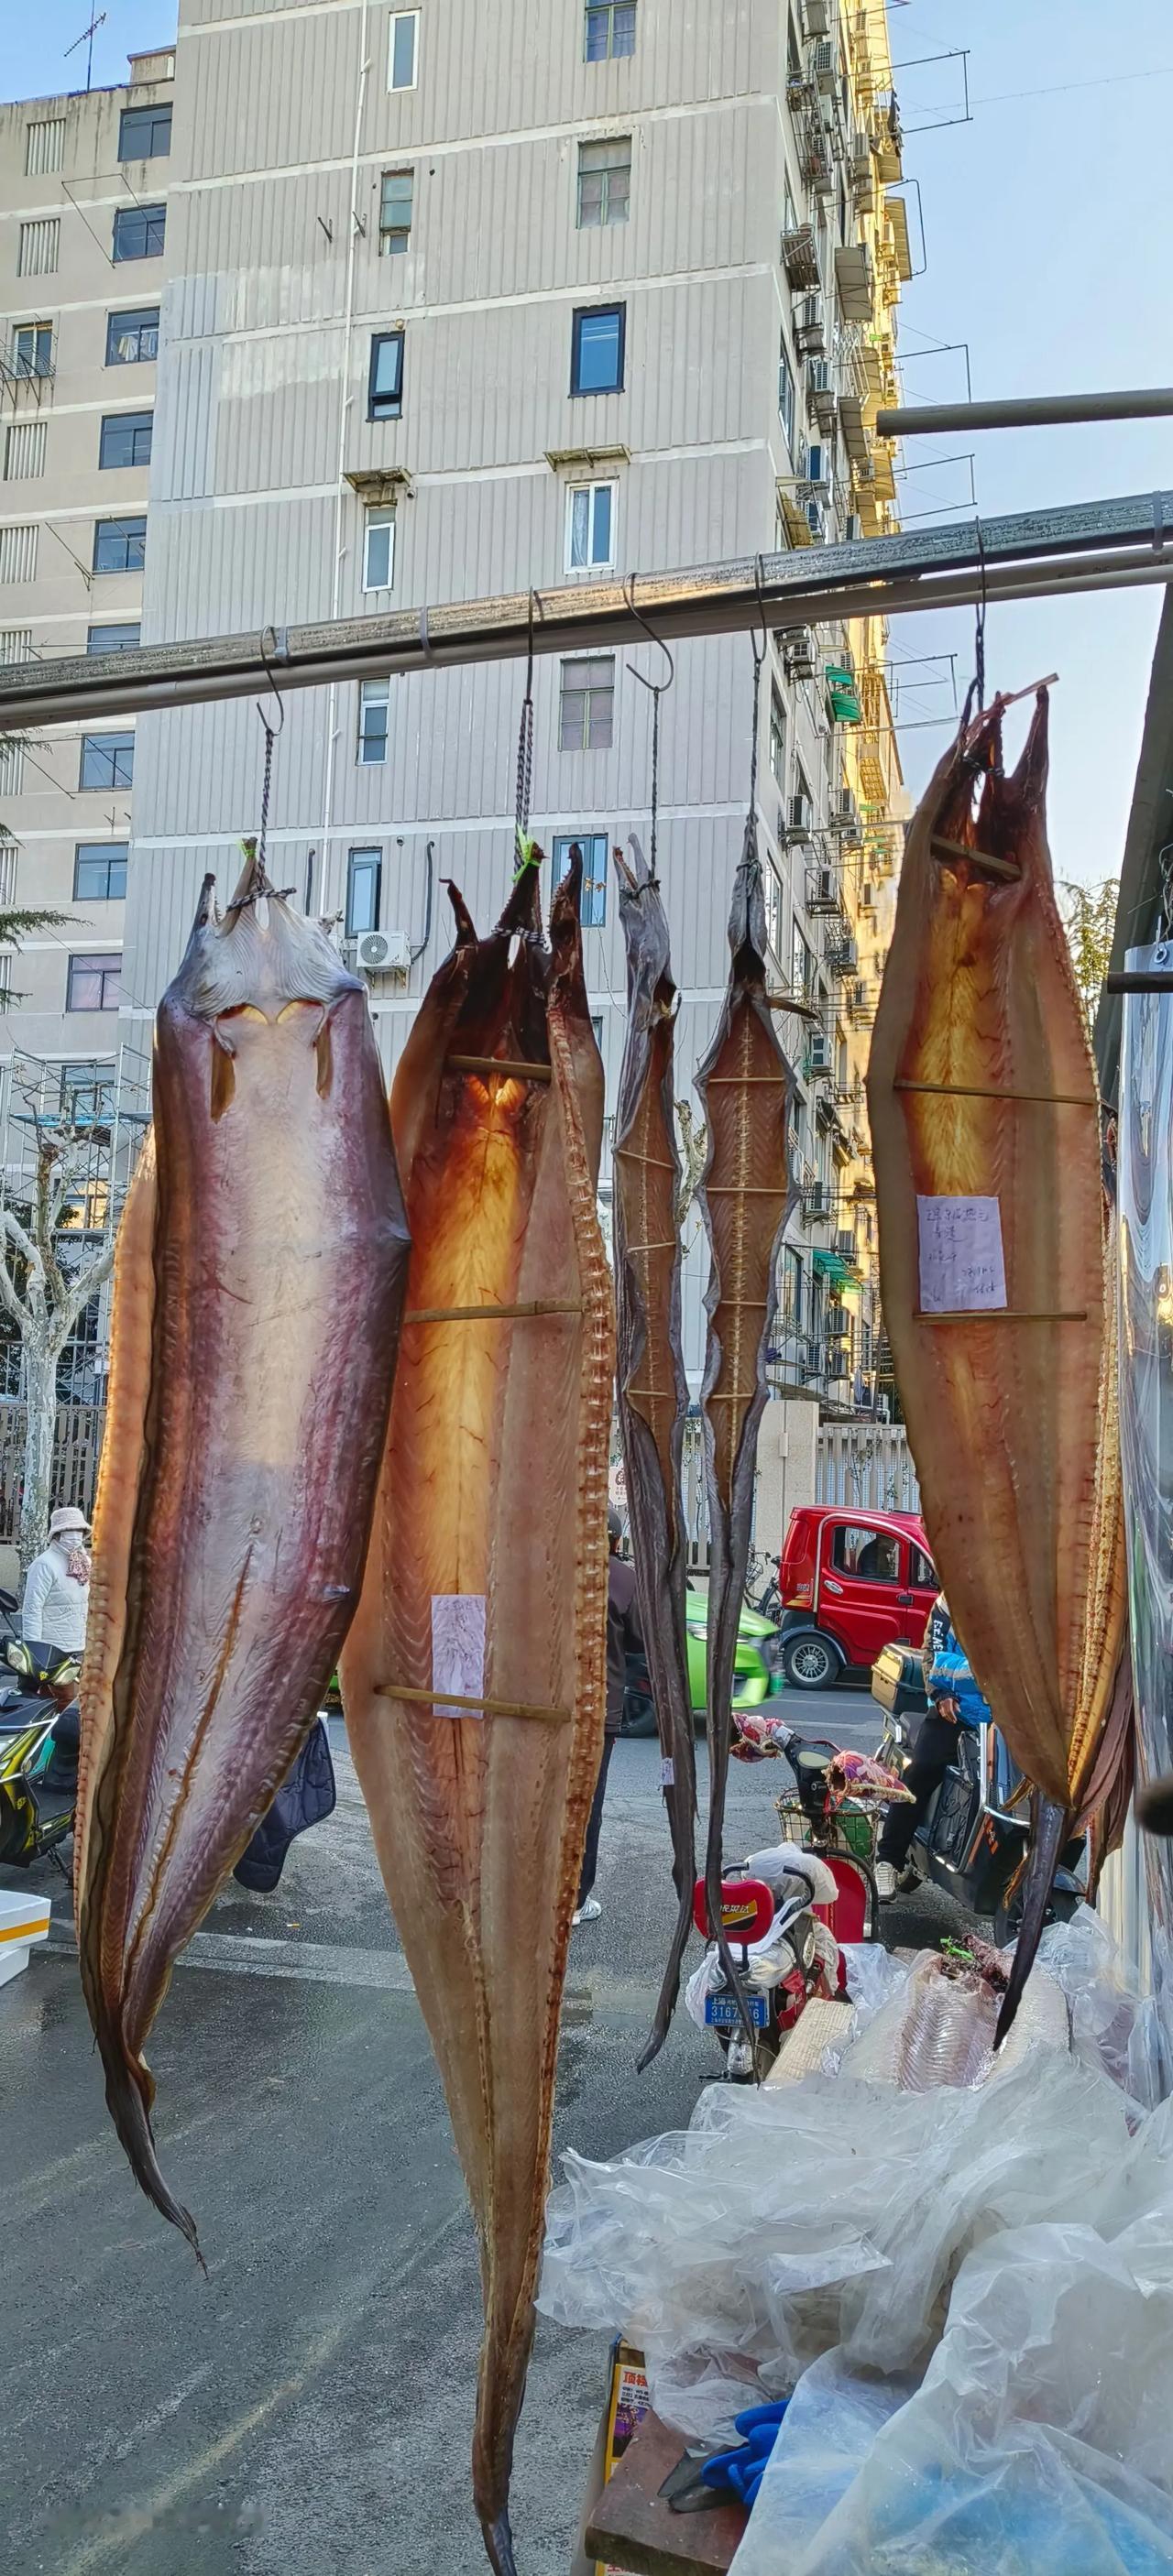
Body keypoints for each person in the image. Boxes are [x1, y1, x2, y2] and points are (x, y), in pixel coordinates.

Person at [874, 1588, 989, 1899]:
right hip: (956, 1711)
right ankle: (887, 1859)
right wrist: (940, 1695)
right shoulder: (950, 1600)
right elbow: (933, 1653)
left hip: (1005, 1718)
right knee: (922, 1770)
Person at [574, 1506, 642, 1927]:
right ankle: (575, 1899)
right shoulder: (623, 1579)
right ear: (616, 1542)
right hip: (598, 1712)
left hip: (546, 1711)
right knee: (587, 1805)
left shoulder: (550, 1568)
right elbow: (640, 1640)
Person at [20, 1505, 91, 1655]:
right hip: (50, 1648)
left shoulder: (85, 1562)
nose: (75, 1535)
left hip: (81, 1646)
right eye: (69, 1531)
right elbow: (32, 1609)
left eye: (79, 1530)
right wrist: (33, 1649)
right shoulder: (44, 1564)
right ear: (57, 1534)